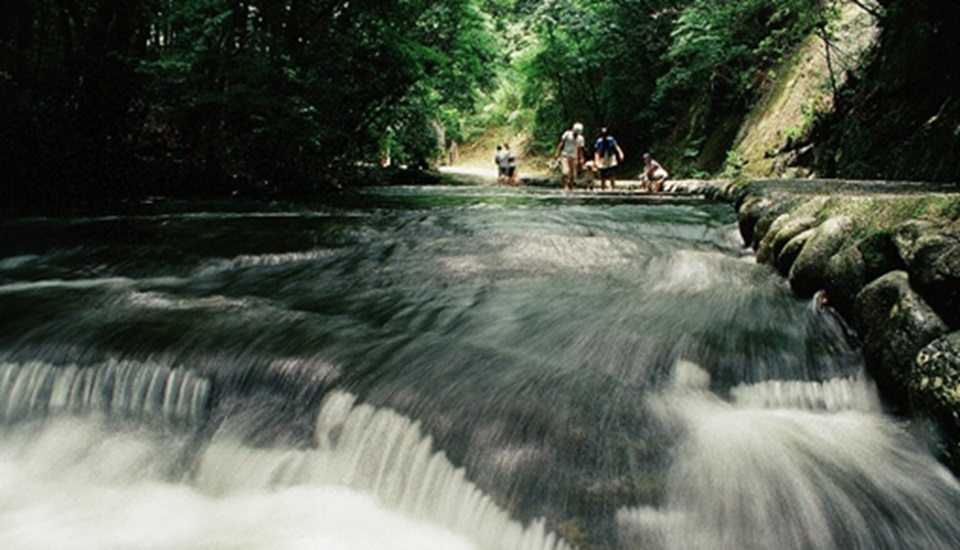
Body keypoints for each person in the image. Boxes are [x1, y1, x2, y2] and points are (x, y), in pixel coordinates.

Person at [554, 122, 585, 191]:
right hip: (565, 155)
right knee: (565, 172)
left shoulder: (581, 139)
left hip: (574, 157)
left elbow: (580, 149)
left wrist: (581, 158)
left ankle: (571, 186)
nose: (576, 134)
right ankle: (565, 186)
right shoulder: (567, 134)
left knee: (573, 174)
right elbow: (561, 144)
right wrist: (557, 154)